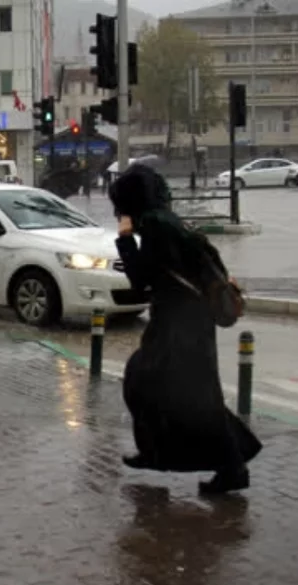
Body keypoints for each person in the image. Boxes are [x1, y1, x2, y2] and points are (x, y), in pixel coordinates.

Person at [111, 164, 261, 494]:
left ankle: (220, 462)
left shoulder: (153, 226)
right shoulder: (169, 221)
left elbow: (141, 281)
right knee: (191, 395)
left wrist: (124, 238)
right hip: (190, 321)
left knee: (149, 384)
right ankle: (220, 463)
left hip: (179, 325)